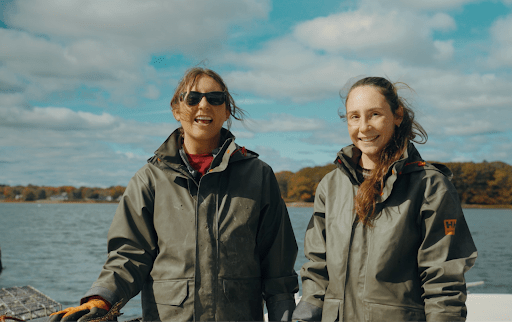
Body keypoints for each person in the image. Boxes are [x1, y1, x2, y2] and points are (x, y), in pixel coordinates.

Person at [49, 67, 298, 322]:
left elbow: (278, 270)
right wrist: (102, 297)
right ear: (176, 110)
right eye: (192, 98)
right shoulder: (149, 179)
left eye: (215, 98)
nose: (203, 104)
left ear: (226, 111)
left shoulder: (259, 176)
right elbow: (129, 256)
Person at [292, 76, 477, 322]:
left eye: (375, 114)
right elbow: (317, 268)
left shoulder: (430, 185)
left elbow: (444, 282)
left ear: (397, 115)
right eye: (354, 116)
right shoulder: (331, 185)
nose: (364, 127)